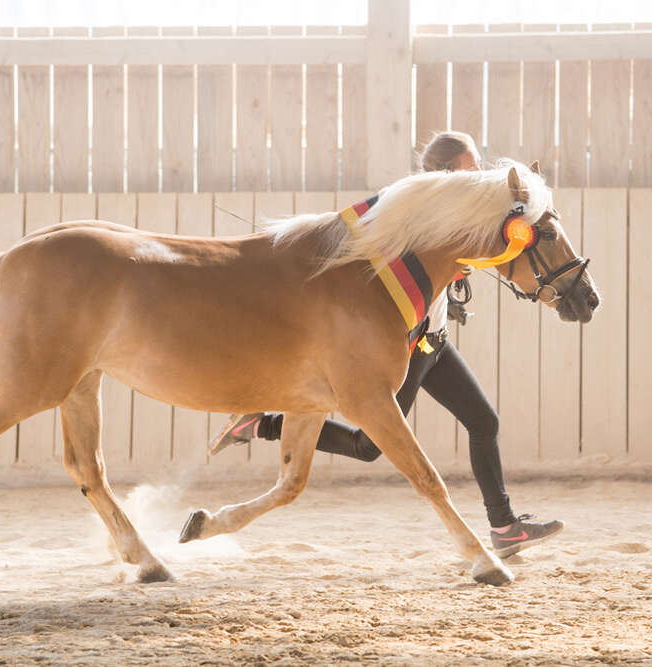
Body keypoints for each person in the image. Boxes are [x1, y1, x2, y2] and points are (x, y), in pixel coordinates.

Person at [210, 131, 562, 559]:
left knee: (483, 421)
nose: (478, 177)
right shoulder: (414, 219)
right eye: (470, 169)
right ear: (445, 173)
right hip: (410, 346)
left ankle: (504, 527)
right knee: (369, 446)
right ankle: (263, 424)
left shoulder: (457, 221)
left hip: (436, 343)